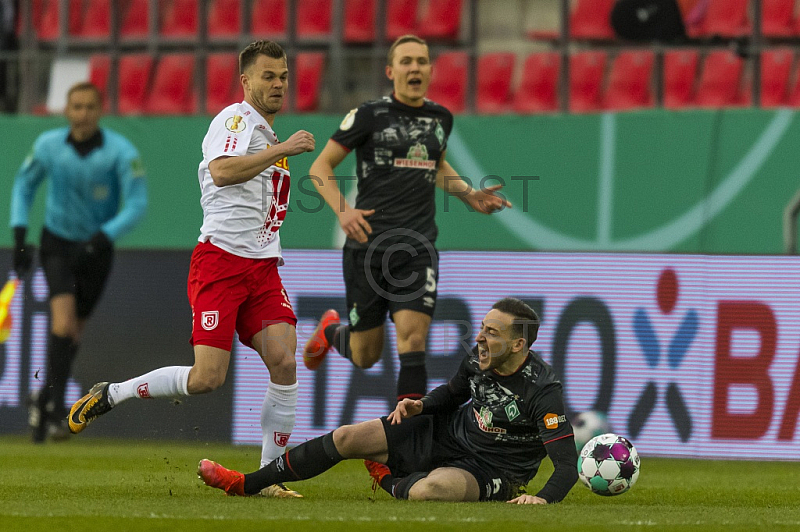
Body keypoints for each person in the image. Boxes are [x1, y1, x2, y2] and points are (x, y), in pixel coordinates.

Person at [67, 40, 315, 497]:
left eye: (283, 75)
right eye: (267, 76)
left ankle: (267, 479)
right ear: (246, 81)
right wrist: (284, 149)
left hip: (261, 268)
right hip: (220, 262)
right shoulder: (236, 119)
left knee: (283, 361)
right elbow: (221, 171)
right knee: (206, 379)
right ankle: (112, 393)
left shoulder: (266, 132)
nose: (278, 83)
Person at [199, 298, 579, 504]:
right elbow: (452, 395)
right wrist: (421, 406)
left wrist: (542, 500)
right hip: (447, 434)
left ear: (518, 345)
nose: (479, 338)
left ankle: (388, 478)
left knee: (429, 491)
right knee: (348, 438)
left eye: (491, 333)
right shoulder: (477, 359)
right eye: (481, 328)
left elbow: (566, 466)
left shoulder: (542, 391)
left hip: (495, 471)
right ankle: (245, 484)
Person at [302, 35, 511, 404]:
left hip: (417, 246)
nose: (415, 67)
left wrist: (468, 194)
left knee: (413, 340)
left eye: (422, 61)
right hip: (367, 244)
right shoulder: (369, 115)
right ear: (390, 71)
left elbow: (437, 164)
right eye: (406, 61)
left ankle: (403, 446)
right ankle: (331, 332)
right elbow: (320, 166)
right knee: (366, 355)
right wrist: (342, 211)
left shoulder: (440, 118)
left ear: (430, 70)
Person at [9, 81, 148, 442]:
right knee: (62, 322)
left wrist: (104, 235)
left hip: (96, 250)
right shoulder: (48, 146)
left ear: (98, 111)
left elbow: (137, 203)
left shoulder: (120, 152)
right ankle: (56, 411)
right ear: (66, 111)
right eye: (76, 107)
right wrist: (21, 236)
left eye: (89, 107)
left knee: (74, 333)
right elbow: (24, 187)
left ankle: (42, 399)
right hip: (57, 244)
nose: (83, 114)